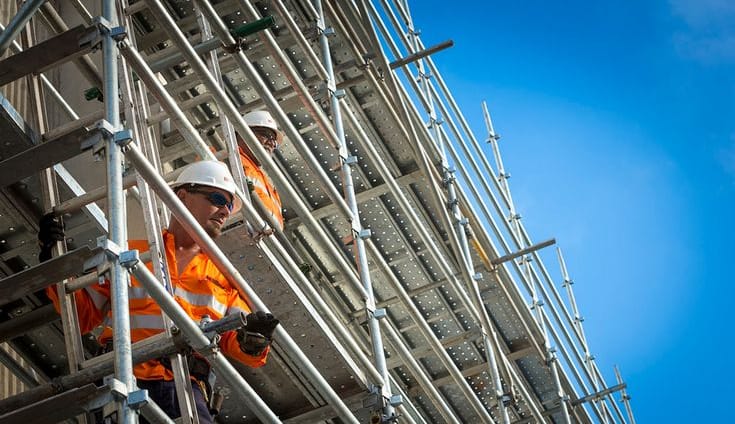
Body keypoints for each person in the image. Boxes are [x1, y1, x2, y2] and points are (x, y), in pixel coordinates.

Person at [39, 160, 280, 424]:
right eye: (217, 198)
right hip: (123, 374)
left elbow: (239, 343)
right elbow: (81, 315)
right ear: (183, 197)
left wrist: (255, 339)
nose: (225, 210)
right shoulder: (132, 254)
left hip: (184, 387)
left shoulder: (226, 278)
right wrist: (54, 263)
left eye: (230, 206)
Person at [237, 110, 284, 232]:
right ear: (242, 133)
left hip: (267, 240)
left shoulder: (264, 179)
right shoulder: (227, 155)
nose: (271, 143)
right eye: (265, 135)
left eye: (274, 140)